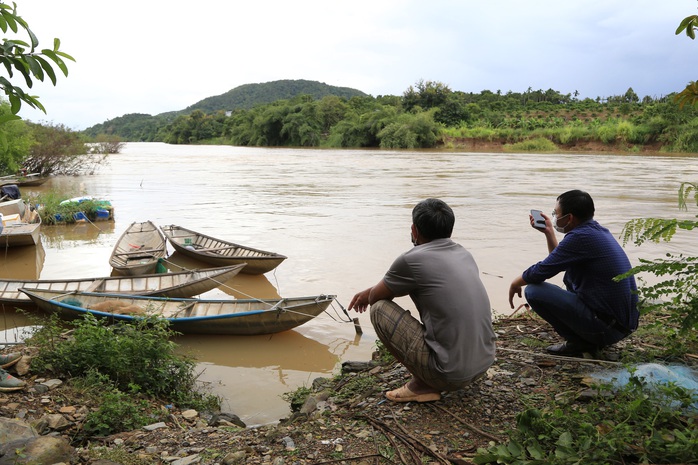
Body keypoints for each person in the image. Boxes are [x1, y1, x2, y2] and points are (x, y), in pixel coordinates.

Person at [348, 198, 496, 403]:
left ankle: (422, 385)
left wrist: (369, 293)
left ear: (414, 230)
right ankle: (439, 372)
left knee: (379, 310)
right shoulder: (464, 253)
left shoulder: (411, 259)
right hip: (484, 363)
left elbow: (376, 298)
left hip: (449, 375)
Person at [508, 189, 639, 356]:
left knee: (534, 291)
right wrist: (549, 232)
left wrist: (515, 283)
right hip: (619, 326)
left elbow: (541, 271)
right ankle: (587, 339)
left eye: (556, 213)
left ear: (569, 218)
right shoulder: (595, 231)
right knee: (543, 288)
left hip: (607, 329)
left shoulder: (580, 237)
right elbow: (558, 261)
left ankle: (579, 343)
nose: (555, 217)